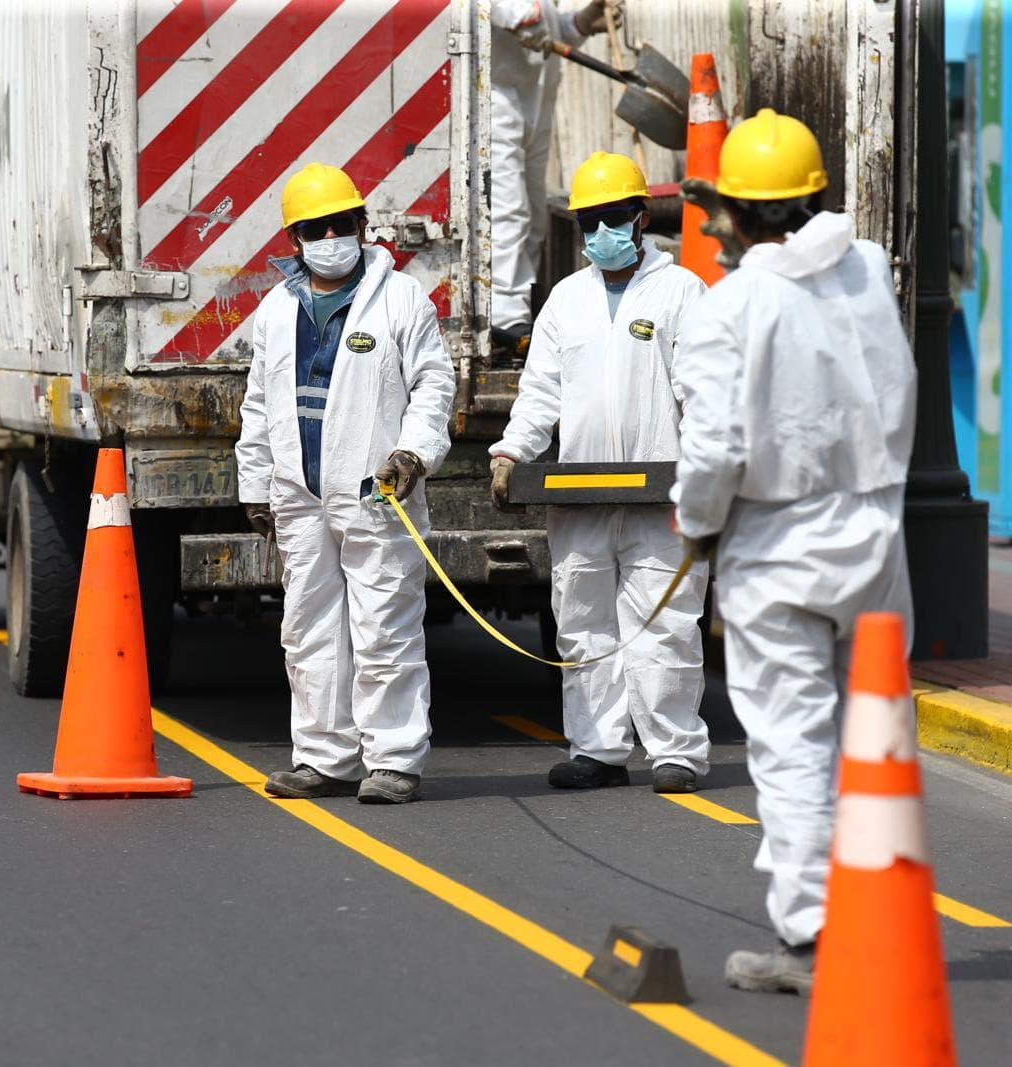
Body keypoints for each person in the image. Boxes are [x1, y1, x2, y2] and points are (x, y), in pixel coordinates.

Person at [672, 109, 917, 994]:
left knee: (791, 742)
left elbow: (714, 451)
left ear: (731, 212)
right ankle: (882, 919)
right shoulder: (871, 273)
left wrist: (696, 523)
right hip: (876, 531)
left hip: (777, 542)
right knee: (876, 738)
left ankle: (812, 937)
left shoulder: (726, 308)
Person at [489, 152, 711, 793]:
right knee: (583, 619)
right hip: (581, 497)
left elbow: (701, 394)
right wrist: (511, 453)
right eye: (590, 223)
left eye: (613, 219)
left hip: (661, 499)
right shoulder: (566, 300)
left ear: (642, 219)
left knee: (665, 624)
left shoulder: (680, 293)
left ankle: (674, 751)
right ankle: (598, 750)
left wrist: (702, 470)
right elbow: (540, 396)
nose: (601, 234)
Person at [235, 162, 456, 805]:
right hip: (299, 495)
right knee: (308, 629)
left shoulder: (401, 299)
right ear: (294, 239)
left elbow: (433, 386)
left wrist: (412, 454)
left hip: (376, 492)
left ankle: (392, 759)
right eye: (315, 228)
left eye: (341, 224)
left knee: (385, 624)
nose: (330, 236)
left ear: (362, 226)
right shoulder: (275, 310)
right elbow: (258, 402)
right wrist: (255, 484)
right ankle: (323, 757)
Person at [489, 0, 612, 363]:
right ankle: (506, 316)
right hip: (496, 92)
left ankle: (522, 311)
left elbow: (546, 26)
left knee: (533, 212)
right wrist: (518, 16)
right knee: (508, 209)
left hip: (534, 98)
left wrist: (579, 23)